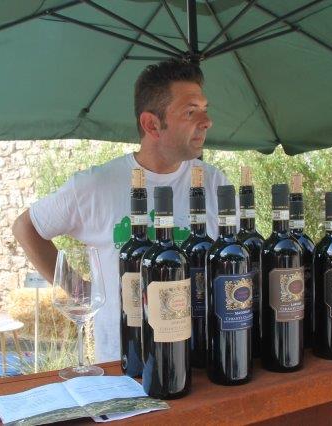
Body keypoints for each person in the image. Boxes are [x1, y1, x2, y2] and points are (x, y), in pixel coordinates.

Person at [12, 59, 228, 362]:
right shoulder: (98, 184)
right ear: (151, 124)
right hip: (126, 363)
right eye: (191, 112)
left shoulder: (215, 183)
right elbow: (26, 228)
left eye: (205, 109)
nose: (207, 121)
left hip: (201, 358)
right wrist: (80, 291)